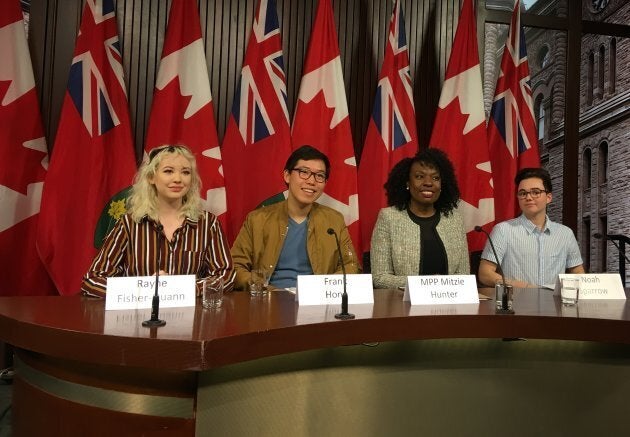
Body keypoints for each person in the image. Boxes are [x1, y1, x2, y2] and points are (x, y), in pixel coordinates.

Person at [81, 145, 235, 296]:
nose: (178, 179)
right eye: (168, 171)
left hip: (191, 317)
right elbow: (93, 279)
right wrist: (145, 290)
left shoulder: (208, 224)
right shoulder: (130, 223)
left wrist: (181, 288)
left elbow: (225, 277)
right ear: (151, 177)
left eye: (186, 172)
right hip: (138, 317)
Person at [230, 145, 358, 290]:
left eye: (320, 176)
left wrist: (323, 288)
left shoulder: (334, 220)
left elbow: (351, 264)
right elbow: (236, 266)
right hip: (268, 301)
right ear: (287, 175)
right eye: (304, 172)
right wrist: (263, 287)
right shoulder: (257, 219)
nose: (311, 181)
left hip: (316, 303)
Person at [370, 148, 469, 289]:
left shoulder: (454, 220)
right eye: (419, 176)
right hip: (403, 306)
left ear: (442, 185)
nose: (428, 183)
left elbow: (463, 275)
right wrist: (425, 285)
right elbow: (380, 278)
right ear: (407, 183)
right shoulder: (389, 218)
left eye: (435, 178)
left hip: (448, 305)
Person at [478, 167, 585, 288]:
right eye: (523, 193)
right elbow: (485, 274)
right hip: (516, 303)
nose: (528, 197)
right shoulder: (503, 230)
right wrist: (520, 286)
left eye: (535, 192)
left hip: (553, 304)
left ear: (548, 197)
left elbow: (578, 273)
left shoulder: (565, 234)